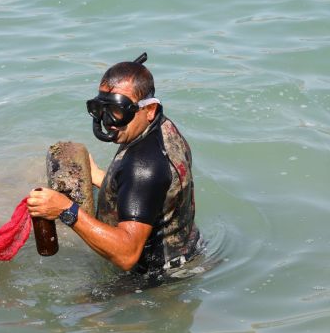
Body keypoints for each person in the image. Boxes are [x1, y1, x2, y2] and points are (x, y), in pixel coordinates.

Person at [27, 53, 203, 277]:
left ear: (149, 110)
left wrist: (66, 210)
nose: (108, 123)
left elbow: (127, 255)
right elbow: (151, 194)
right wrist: (100, 176)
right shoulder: (160, 131)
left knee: (71, 311)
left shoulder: (143, 165)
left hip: (157, 280)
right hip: (187, 252)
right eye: (101, 110)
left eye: (118, 111)